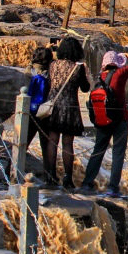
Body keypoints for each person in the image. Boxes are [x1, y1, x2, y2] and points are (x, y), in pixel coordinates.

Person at [79, 51, 128, 197]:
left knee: (98, 151)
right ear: (117, 63)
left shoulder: (99, 78)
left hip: (103, 119)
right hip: (120, 119)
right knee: (118, 153)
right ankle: (113, 187)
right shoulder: (120, 74)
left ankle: (87, 183)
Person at [43, 37, 89, 189]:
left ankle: (50, 175)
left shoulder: (53, 65)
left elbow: (49, 82)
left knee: (52, 141)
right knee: (67, 143)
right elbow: (85, 88)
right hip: (69, 107)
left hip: (53, 106)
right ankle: (68, 178)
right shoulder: (78, 68)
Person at [26, 46, 55, 185]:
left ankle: (12, 172)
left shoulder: (29, 71)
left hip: (28, 112)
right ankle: (49, 177)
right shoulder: (50, 74)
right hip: (44, 113)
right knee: (46, 146)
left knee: (22, 144)